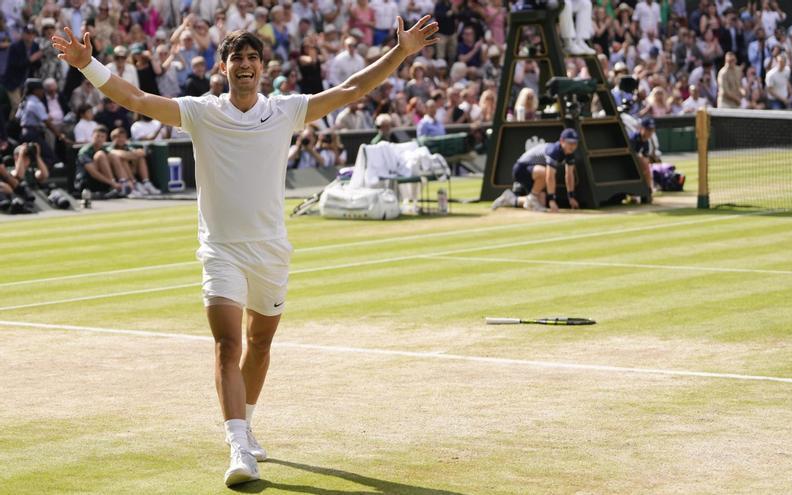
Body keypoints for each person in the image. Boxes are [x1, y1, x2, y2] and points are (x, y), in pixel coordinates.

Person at [53, 16, 438, 486]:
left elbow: (353, 89)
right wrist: (86, 63)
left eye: (253, 58)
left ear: (262, 68)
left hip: (271, 251)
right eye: (237, 58)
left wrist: (401, 52)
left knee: (259, 344)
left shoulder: (286, 110)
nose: (246, 65)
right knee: (227, 344)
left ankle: (247, 424)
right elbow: (134, 98)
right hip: (221, 251)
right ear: (224, 67)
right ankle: (237, 445)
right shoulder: (200, 111)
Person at [491, 128, 580, 213]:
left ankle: (510, 199)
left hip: (535, 172)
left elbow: (569, 175)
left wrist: (571, 197)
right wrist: (552, 200)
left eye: (575, 143)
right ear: (562, 141)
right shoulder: (554, 150)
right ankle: (532, 198)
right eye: (570, 143)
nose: (573, 146)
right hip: (521, 169)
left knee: (541, 203)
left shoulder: (570, 154)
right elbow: (550, 177)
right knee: (546, 173)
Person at [106, 126, 162, 195]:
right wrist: (134, 155)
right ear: (113, 139)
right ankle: (133, 184)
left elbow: (141, 153)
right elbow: (124, 155)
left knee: (140, 158)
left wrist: (133, 155)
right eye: (118, 137)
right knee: (123, 159)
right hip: (117, 176)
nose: (121, 139)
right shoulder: (109, 148)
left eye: (123, 137)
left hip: (132, 171)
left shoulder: (128, 147)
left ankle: (146, 183)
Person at [629, 117, 658, 197]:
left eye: (652, 130)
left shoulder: (645, 141)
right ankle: (648, 189)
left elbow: (645, 155)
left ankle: (648, 188)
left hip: (636, 163)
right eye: (648, 130)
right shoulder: (633, 138)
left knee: (647, 162)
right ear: (642, 128)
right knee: (644, 162)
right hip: (626, 161)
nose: (650, 132)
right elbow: (631, 154)